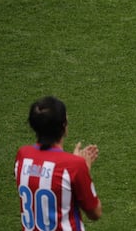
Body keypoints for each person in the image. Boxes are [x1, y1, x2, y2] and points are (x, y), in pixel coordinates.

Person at [14, 96, 102, 230]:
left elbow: (42, 176)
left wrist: (73, 163)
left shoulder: (22, 155)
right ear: (63, 125)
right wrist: (81, 167)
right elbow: (95, 213)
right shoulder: (74, 166)